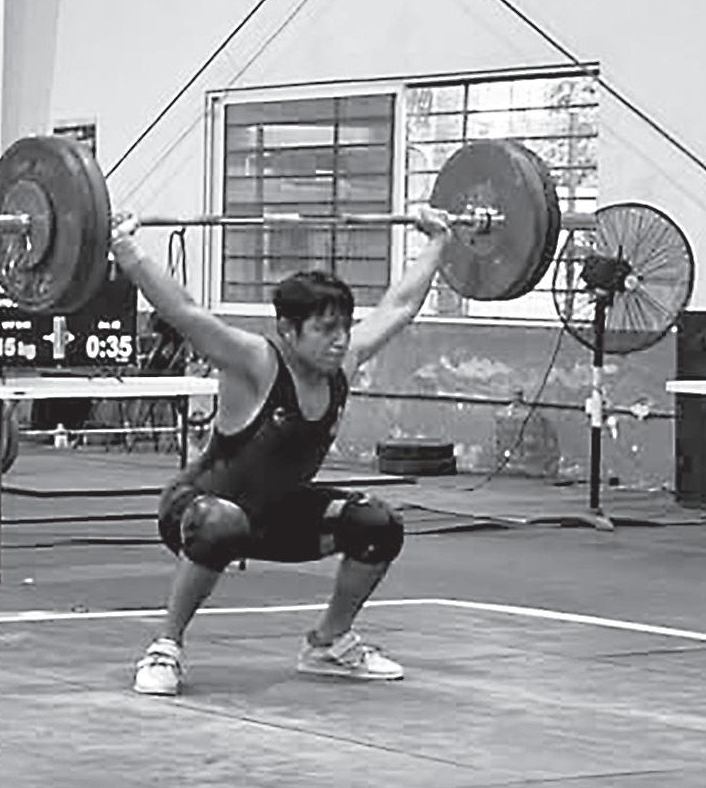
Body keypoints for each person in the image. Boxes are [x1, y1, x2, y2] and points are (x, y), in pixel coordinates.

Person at [107, 208, 451, 694]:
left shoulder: (342, 364)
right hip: (195, 512)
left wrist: (438, 240)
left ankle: (328, 644)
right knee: (220, 522)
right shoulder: (256, 362)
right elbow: (184, 312)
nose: (340, 341)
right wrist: (125, 248)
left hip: (273, 518)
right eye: (325, 329)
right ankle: (166, 647)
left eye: (345, 327)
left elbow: (399, 307)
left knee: (377, 523)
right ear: (288, 330)